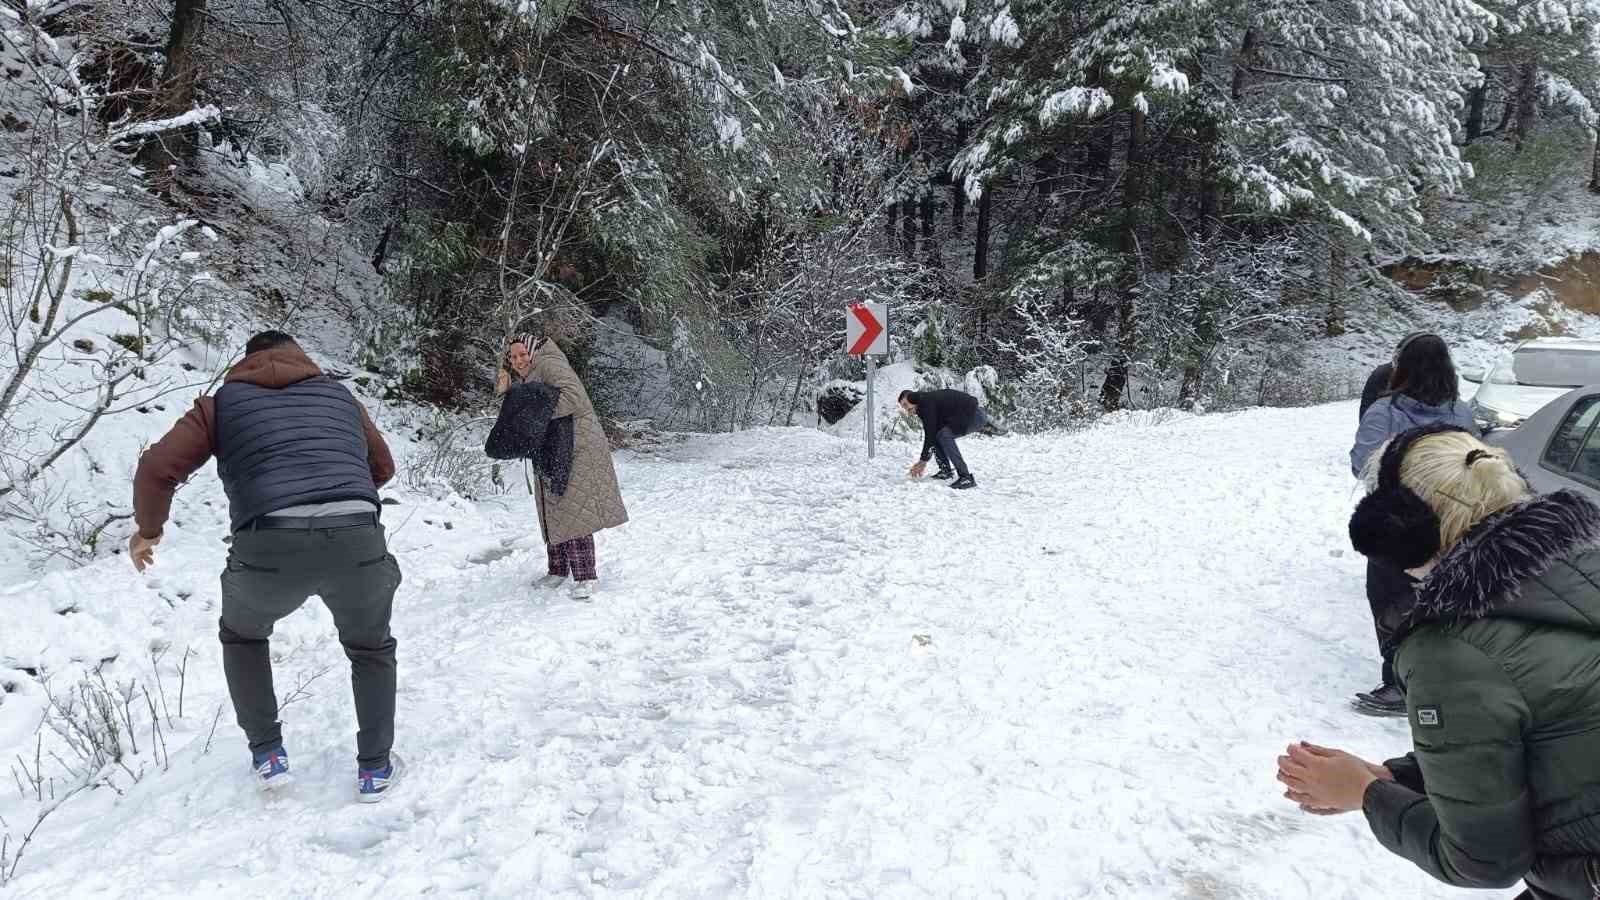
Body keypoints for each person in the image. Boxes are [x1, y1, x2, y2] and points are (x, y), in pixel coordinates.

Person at [1280, 425, 1600, 898]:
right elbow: (1553, 730)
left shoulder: (1452, 652)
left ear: (1403, 528)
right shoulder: (1583, 572)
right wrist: (1400, 775)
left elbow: (1483, 861)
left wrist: (1367, 796)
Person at [129, 331, 403, 801]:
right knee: (370, 648)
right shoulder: (339, 396)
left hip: (268, 541)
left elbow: (157, 468)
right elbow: (383, 467)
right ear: (302, 356)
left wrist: (149, 532)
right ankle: (375, 769)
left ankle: (269, 756)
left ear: (246, 362)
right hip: (356, 534)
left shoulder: (220, 405)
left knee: (244, 636)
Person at [1348, 333, 1477, 716]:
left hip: (1396, 523)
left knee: (1391, 602)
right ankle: (1448, 680)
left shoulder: (1385, 412)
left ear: (1400, 368)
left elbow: (1361, 465)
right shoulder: (1461, 412)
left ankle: (1398, 684)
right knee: (1445, 601)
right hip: (1452, 522)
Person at [495, 332, 627, 600]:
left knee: (572, 507)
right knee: (551, 503)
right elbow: (529, 402)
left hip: (576, 445)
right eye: (514, 356)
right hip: (554, 446)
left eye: (523, 354)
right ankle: (557, 570)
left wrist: (534, 416)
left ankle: (586, 576)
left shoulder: (549, 363)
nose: (519, 360)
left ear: (533, 351)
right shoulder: (530, 372)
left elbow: (574, 397)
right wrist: (510, 391)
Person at [899, 388, 988, 490]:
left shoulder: (924, 401)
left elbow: (930, 435)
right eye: (903, 407)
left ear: (912, 398)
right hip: (967, 416)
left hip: (975, 416)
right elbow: (931, 435)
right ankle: (945, 471)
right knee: (938, 434)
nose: (907, 410)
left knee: (944, 435)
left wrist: (923, 461)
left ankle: (966, 477)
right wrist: (923, 460)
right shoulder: (925, 405)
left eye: (906, 405)